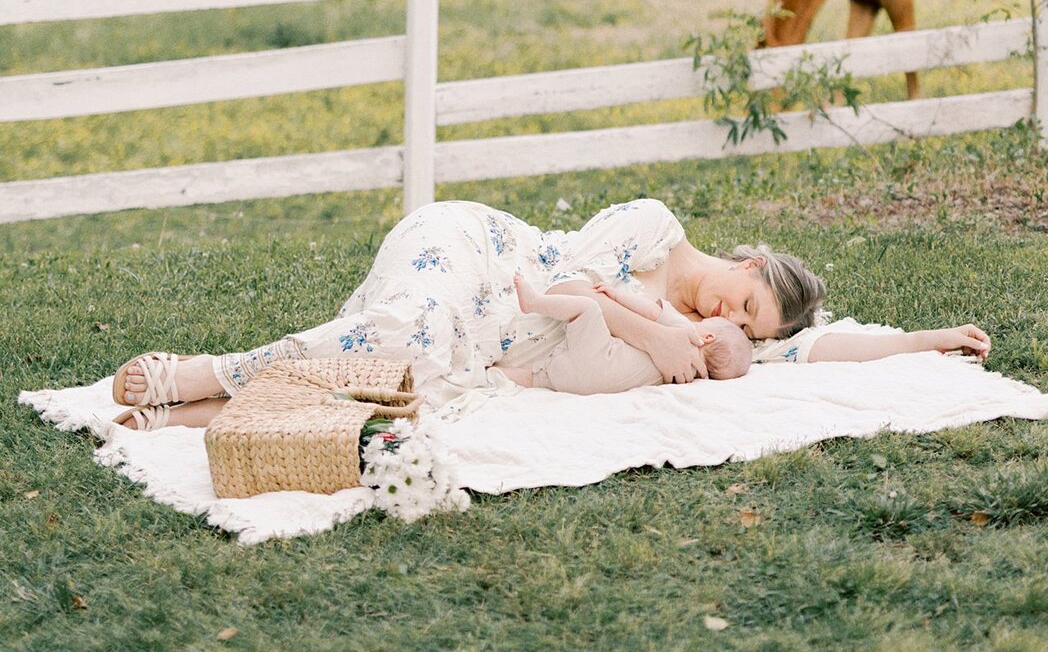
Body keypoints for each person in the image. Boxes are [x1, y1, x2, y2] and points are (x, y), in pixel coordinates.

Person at [110, 196, 990, 430]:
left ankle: (194, 414)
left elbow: (823, 353)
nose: (733, 320)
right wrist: (663, 330)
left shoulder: (717, 345)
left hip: (479, 342)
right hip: (475, 253)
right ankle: (201, 369)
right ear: (751, 261)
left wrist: (928, 339)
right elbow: (571, 279)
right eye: (750, 302)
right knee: (398, 338)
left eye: (748, 331)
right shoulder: (658, 231)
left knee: (408, 388)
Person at [493, 271, 754, 394]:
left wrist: (617, 295)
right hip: (583, 385)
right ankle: (489, 375)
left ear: (707, 337)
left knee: (587, 309)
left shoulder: (687, 332)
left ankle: (534, 303)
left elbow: (650, 311)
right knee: (535, 378)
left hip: (596, 357)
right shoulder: (683, 376)